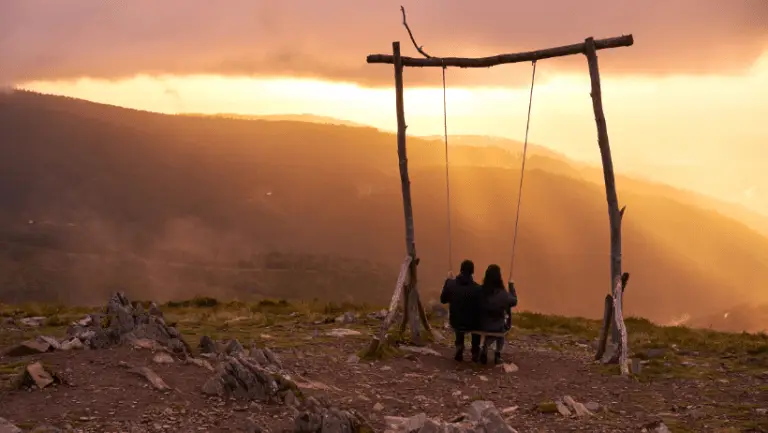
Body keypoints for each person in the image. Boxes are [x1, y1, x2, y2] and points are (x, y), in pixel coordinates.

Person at [440, 259, 482, 362]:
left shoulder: (450, 284)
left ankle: (459, 346)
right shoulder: (478, 288)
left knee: (459, 316)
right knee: (476, 319)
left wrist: (447, 283)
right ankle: (475, 351)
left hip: (455, 321)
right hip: (473, 323)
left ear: (461, 270)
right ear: (473, 272)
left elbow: (443, 300)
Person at [476, 264, 518, 365]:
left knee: (489, 327)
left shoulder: (480, 291)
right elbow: (514, 301)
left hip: (481, 325)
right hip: (497, 327)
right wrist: (511, 286)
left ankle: (484, 350)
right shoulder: (502, 294)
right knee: (501, 330)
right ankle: (497, 353)